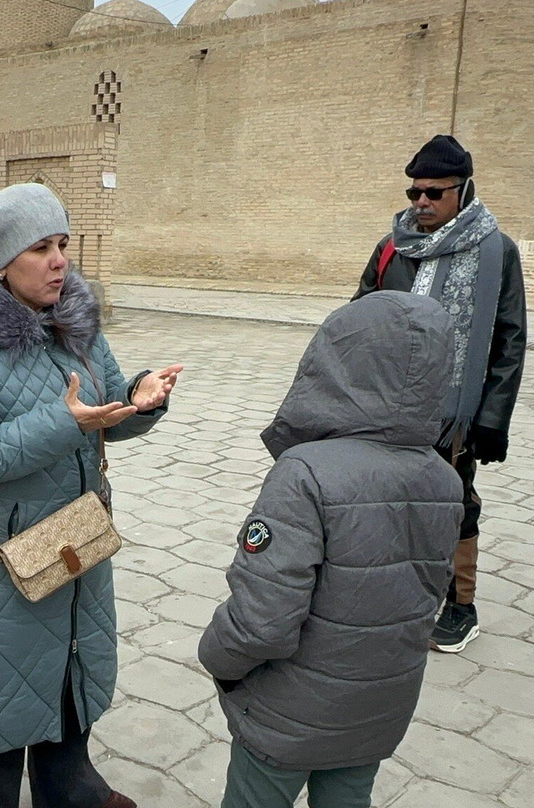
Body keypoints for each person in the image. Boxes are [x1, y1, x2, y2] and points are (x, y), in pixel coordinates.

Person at [0, 183, 182, 808]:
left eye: (63, 243)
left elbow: (107, 403)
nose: (60, 260)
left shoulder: (79, 328)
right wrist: (64, 424)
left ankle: (70, 789)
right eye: (40, 247)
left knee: (71, 671)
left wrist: (142, 397)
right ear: (1, 263)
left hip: (75, 537)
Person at [199, 292, 465, 808]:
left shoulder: (305, 473)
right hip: (378, 710)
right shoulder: (443, 478)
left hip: (287, 717)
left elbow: (262, 621)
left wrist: (217, 656)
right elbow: (426, 595)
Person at [353, 134, 526, 653]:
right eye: (414, 193)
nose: (421, 202)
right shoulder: (391, 247)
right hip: (386, 407)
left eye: (434, 192)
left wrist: (493, 417)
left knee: (454, 503)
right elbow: (358, 317)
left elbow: (509, 336)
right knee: (386, 499)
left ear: (462, 190)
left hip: (453, 414)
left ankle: (460, 606)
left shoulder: (497, 250)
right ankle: (398, 592)